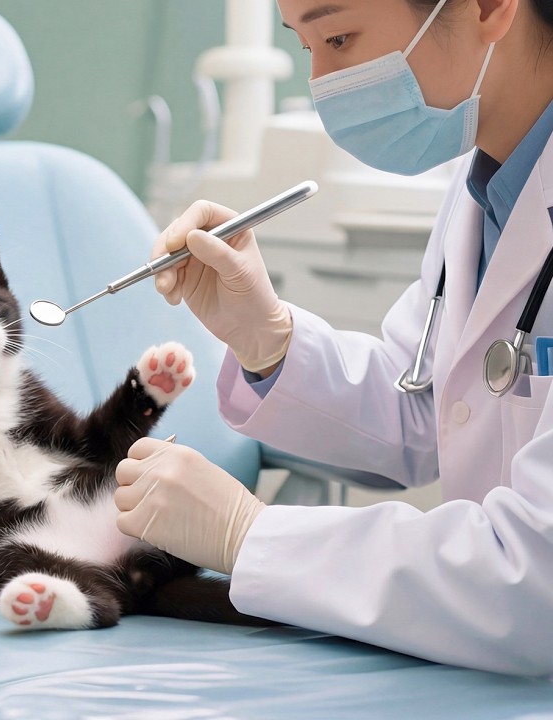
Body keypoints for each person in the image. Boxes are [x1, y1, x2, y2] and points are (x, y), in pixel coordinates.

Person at [114, 0, 553, 677]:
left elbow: (536, 583)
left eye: (340, 37)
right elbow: (429, 408)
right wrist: (269, 341)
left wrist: (250, 533)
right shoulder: (490, 184)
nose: (324, 84)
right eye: (304, 46)